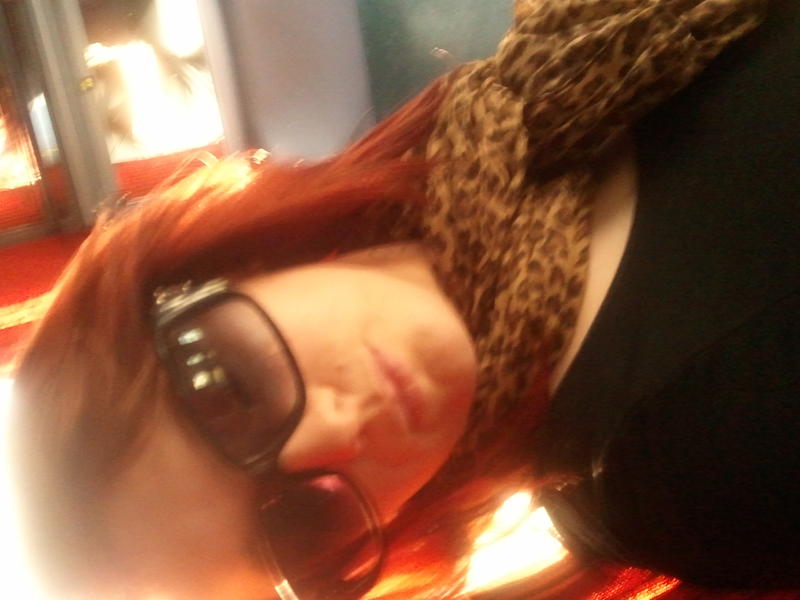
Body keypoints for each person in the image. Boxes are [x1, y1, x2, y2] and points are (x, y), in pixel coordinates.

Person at [10, 0, 799, 598]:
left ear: (214, 270)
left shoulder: (548, 53)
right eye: (301, 527)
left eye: (230, 391)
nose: (334, 433)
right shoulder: (682, 484)